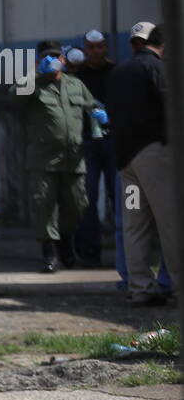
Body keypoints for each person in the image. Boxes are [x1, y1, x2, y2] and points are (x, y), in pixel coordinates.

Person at [105, 22, 178, 306]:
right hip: (154, 158)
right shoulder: (158, 69)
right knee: (170, 222)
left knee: (135, 225)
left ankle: (140, 286)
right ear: (162, 45)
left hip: (126, 163)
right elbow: (170, 106)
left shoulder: (117, 73)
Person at [14, 47, 100, 272]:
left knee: (77, 204)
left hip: (73, 158)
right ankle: (50, 254)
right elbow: (15, 94)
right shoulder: (34, 85)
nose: (52, 62)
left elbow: (92, 107)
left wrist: (100, 114)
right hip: (43, 159)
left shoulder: (75, 84)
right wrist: (34, 72)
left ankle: (65, 244)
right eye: (46, 58)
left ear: (64, 60)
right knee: (44, 205)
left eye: (56, 57)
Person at [73, 30, 117, 266]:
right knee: (87, 197)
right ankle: (90, 249)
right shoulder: (78, 75)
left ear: (106, 48)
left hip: (113, 140)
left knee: (119, 194)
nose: (96, 51)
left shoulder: (115, 72)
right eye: (91, 47)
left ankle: (124, 249)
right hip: (87, 141)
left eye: (100, 47)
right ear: (85, 49)